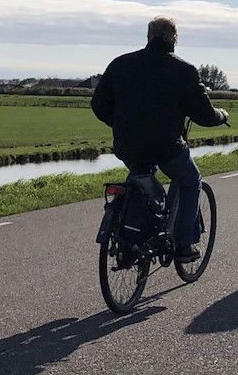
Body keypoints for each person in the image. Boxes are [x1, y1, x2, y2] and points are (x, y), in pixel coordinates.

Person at [91, 17, 228, 263]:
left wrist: (122, 124)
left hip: (128, 144)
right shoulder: (184, 70)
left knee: (140, 179)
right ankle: (184, 245)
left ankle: (132, 236)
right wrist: (222, 115)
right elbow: (205, 114)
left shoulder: (120, 64)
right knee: (190, 180)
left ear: (148, 36)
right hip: (167, 147)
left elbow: (99, 104)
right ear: (174, 38)